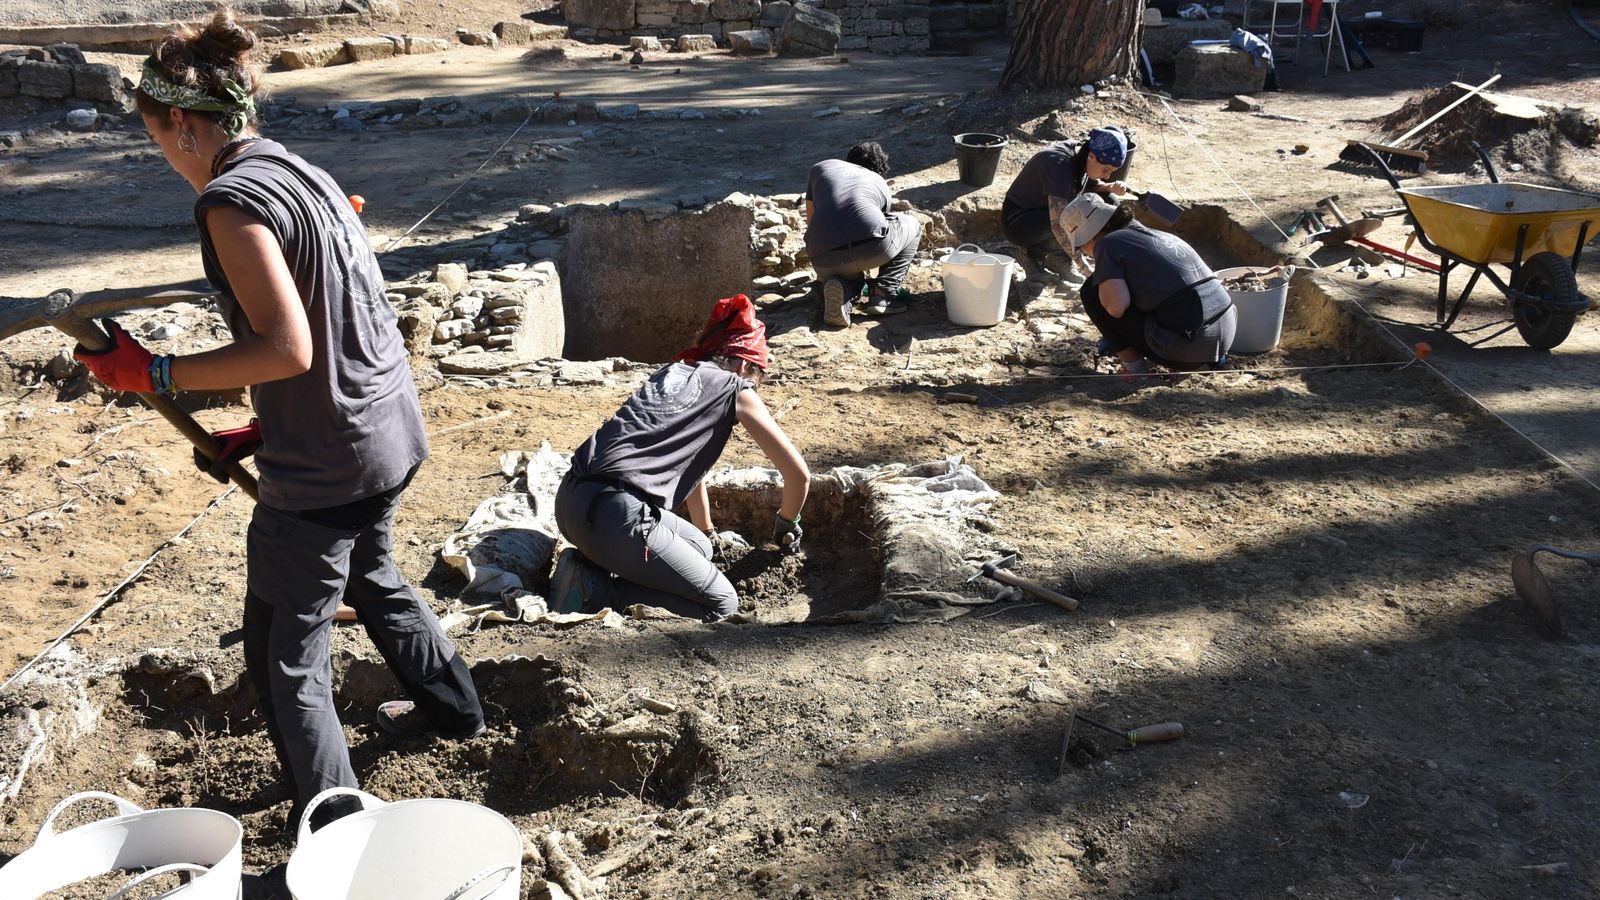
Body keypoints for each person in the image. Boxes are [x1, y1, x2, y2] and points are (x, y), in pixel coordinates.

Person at [72, 10, 484, 835]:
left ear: (182, 124)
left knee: (284, 654)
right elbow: (338, 322)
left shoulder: (230, 202)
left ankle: (336, 832)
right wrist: (265, 432)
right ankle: (457, 714)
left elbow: (288, 347)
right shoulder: (299, 170)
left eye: (156, 139)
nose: (163, 156)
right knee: (374, 575)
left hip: (330, 464)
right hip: (384, 431)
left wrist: (154, 373)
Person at [551, 295, 810, 621]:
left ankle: (588, 566)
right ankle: (596, 590)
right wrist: (787, 524)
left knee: (701, 548)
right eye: (757, 380)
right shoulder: (736, 389)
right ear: (745, 366)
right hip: (616, 517)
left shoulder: (676, 372)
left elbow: (690, 470)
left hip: (571, 502)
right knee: (722, 604)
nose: (754, 389)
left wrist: (707, 531)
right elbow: (799, 476)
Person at [1052, 192, 1236, 375]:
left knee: (1091, 292)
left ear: (1092, 234)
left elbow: (1116, 307)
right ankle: (1197, 358)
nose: (1085, 252)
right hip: (1225, 335)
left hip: (1191, 345)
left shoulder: (1107, 243)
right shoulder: (1158, 235)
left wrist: (1102, 282)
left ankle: (1135, 370)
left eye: (1082, 245)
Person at [804, 141, 924, 328]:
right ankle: (883, 293)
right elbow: (878, 228)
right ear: (878, 170)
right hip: (871, 248)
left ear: (848, 161)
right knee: (913, 224)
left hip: (821, 258)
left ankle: (843, 287)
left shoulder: (821, 168)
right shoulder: (878, 182)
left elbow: (810, 221)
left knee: (847, 276)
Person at [1001, 126, 1132, 282]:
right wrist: (1083, 266)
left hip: (1046, 212)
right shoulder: (1058, 164)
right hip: (1019, 222)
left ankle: (1058, 258)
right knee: (1070, 219)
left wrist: (1109, 187)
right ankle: (1030, 254)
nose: (1107, 176)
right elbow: (1058, 224)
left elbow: (1089, 185)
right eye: (1106, 170)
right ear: (1092, 157)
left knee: (1109, 201)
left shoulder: (1083, 154)